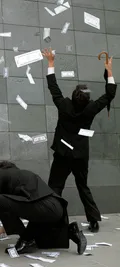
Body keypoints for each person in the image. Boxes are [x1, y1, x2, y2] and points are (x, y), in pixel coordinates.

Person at [42, 48, 117, 233]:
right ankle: (93, 221)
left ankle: (51, 218)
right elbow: (109, 94)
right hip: (80, 155)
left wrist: (51, 63)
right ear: (86, 99)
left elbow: (54, 88)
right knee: (83, 187)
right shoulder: (91, 109)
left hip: (62, 154)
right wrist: (109, 71)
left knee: (55, 187)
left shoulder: (64, 105)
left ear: (74, 96)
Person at [0, 161, 87, 255]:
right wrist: (4, 226)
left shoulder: (1, 173)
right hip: (56, 207)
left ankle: (26, 241)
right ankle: (71, 232)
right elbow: (18, 206)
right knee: (40, 241)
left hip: (43, 207)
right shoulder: (25, 175)